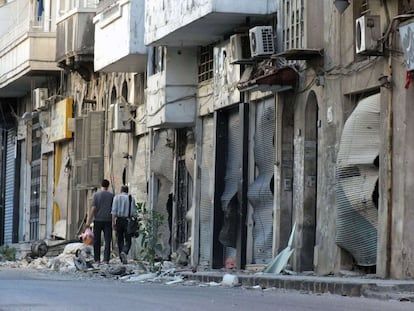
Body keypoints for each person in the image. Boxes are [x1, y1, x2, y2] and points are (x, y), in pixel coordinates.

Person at [85, 179, 114, 265]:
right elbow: (113, 210)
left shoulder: (96, 195)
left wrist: (88, 222)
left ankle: (97, 259)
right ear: (108, 186)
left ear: (101, 185)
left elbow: (93, 209)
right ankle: (106, 259)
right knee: (108, 240)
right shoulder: (112, 196)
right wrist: (113, 222)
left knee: (96, 240)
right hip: (108, 220)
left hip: (97, 220)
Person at [111, 185, 136, 264]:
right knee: (128, 239)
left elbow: (113, 211)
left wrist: (113, 223)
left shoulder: (116, 198)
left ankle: (122, 256)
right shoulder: (131, 198)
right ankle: (124, 252)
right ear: (127, 191)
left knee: (120, 239)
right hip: (127, 220)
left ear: (121, 190)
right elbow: (133, 212)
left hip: (119, 220)